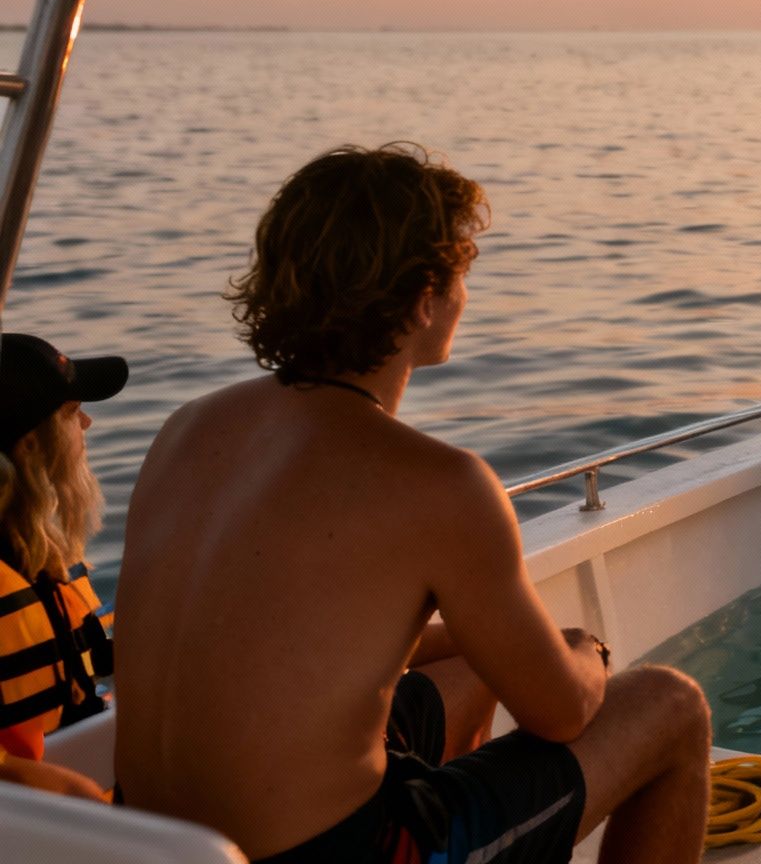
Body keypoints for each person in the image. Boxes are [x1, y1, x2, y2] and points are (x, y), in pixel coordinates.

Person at [114, 143, 713, 863]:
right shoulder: (442, 484)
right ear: (424, 297)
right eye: (461, 275)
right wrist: (589, 652)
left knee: (468, 666)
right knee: (671, 705)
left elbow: (294, 645)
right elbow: (560, 714)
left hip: (149, 847)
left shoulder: (187, 429)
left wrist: (484, 643)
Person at [0, 332, 125, 801]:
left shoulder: (37, 556)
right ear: (30, 446)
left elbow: (80, 654)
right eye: (72, 414)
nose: (88, 423)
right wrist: (90, 808)